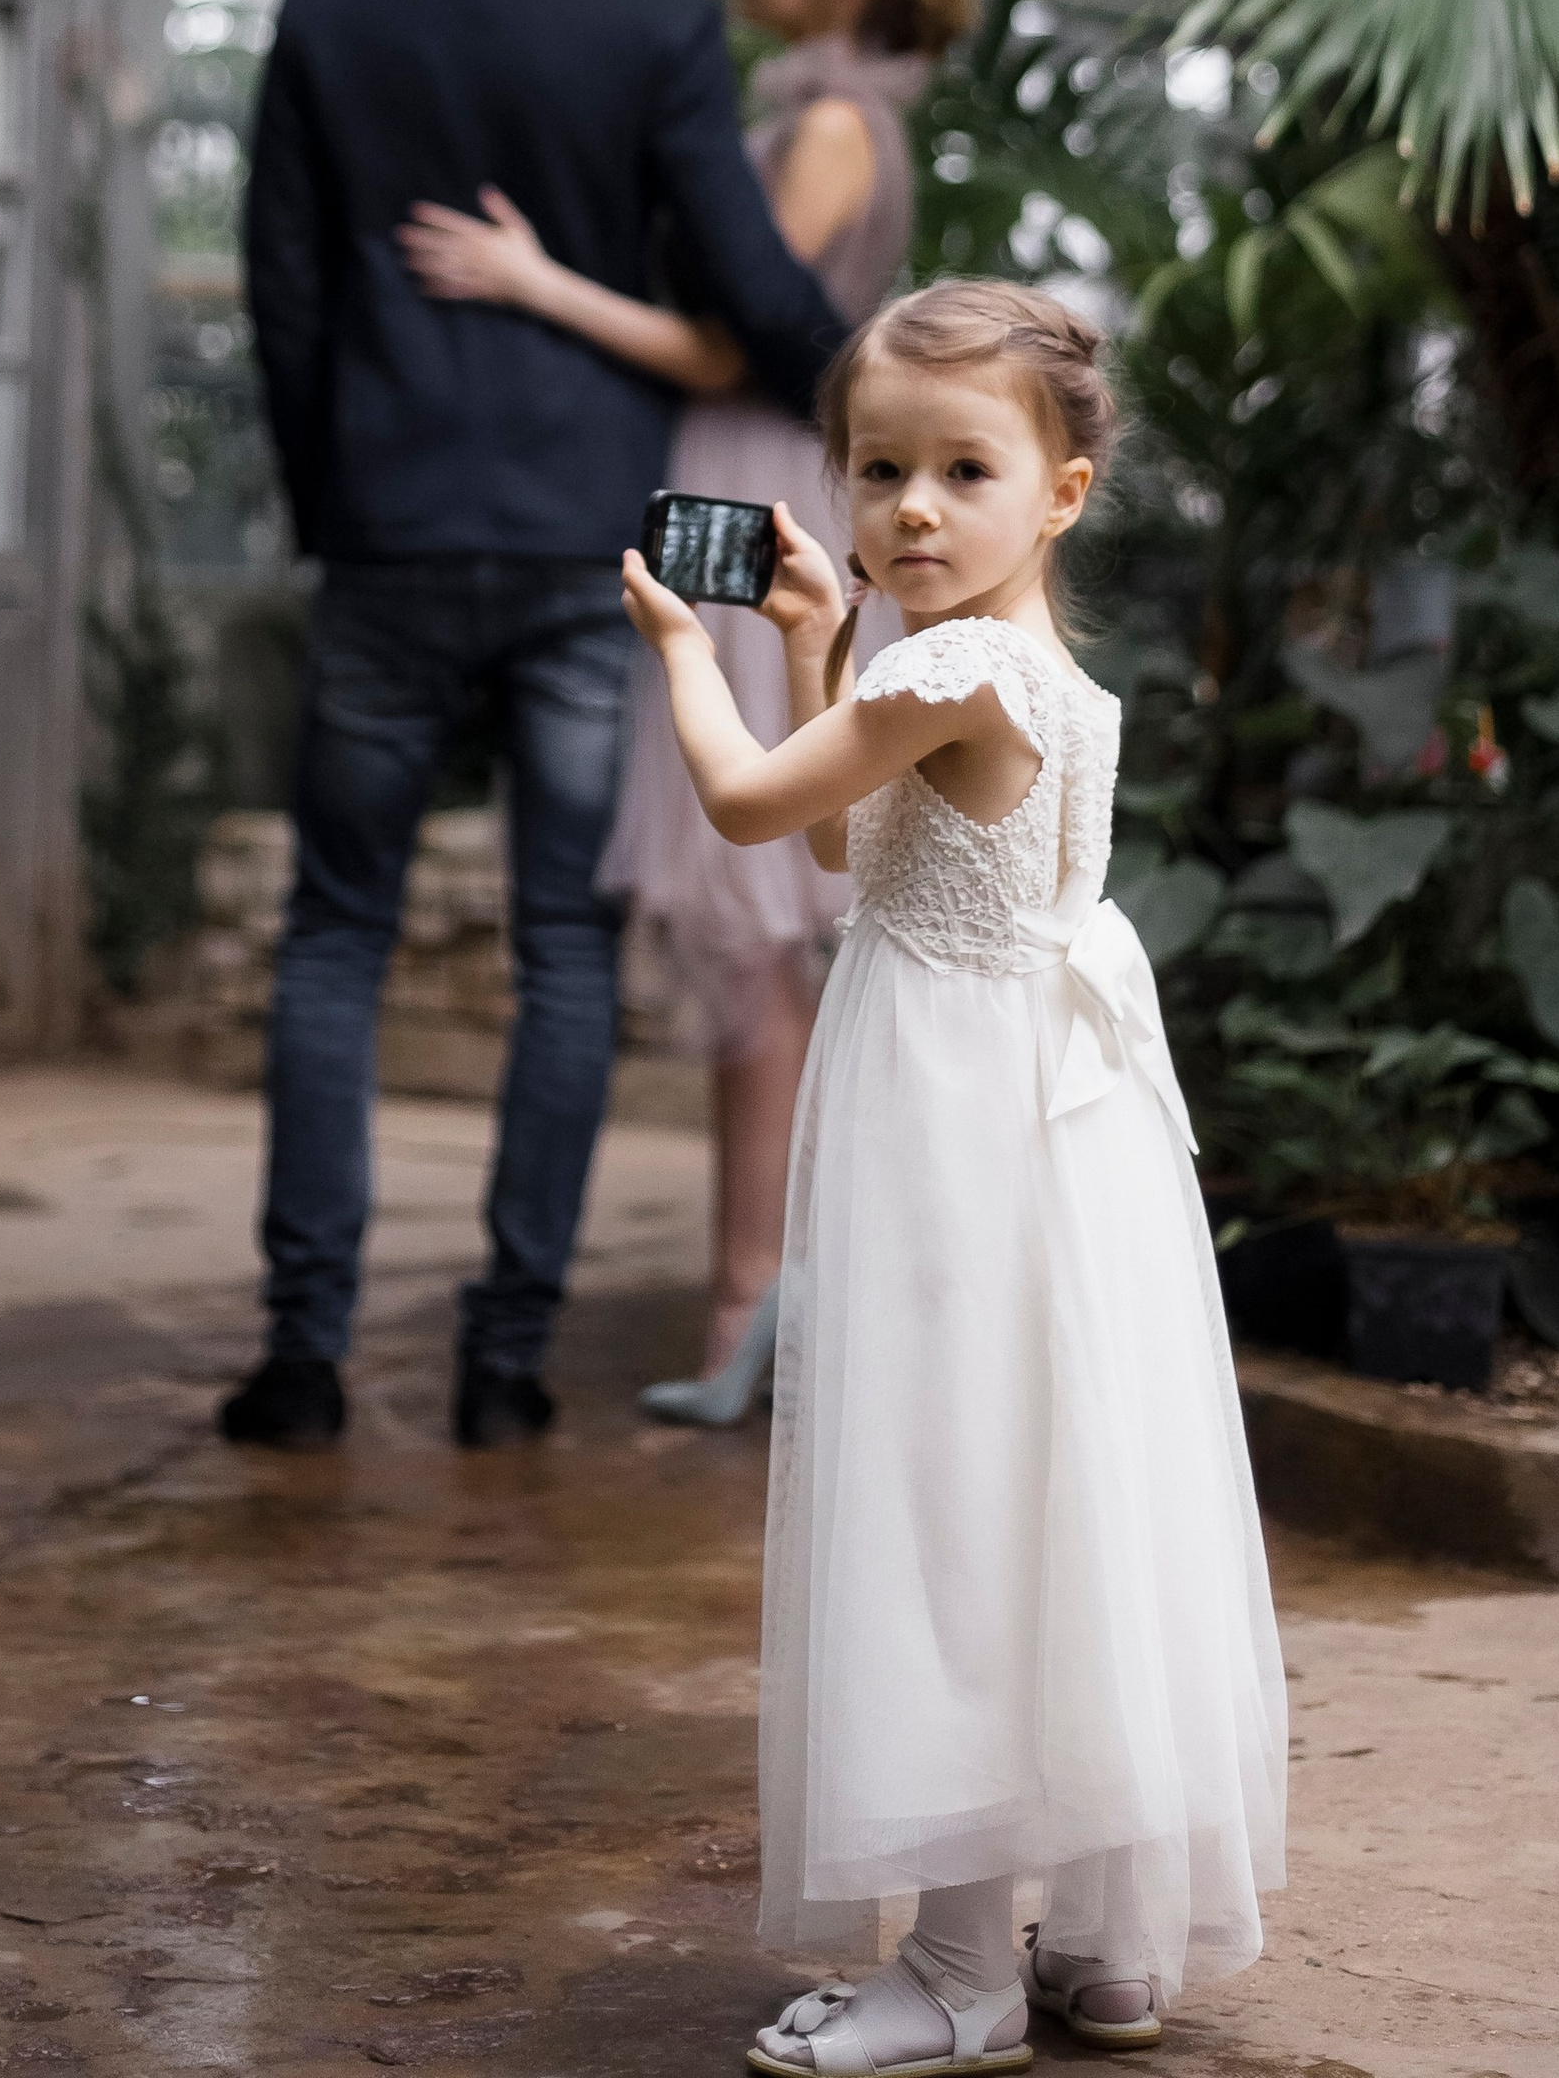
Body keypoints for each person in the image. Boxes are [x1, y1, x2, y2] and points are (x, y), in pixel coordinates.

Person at [621, 282, 1286, 2070]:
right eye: (876, 467)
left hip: (954, 1121)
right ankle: (1107, 1950)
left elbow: (755, 811)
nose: (910, 506)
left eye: (963, 470)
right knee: (1056, 1492)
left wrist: (682, 652)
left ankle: (962, 1971)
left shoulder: (947, 670)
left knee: (945, 1499)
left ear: (1061, 492)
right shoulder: (1030, 669)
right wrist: (806, 641)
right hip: (1050, 1124)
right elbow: (856, 839)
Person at [224, 0, 850, 1455]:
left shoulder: (336, 0)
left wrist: (336, 494)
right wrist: (877, 391)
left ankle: (304, 1357)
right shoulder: (649, 22)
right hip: (592, 543)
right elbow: (746, 279)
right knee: (564, 950)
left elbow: (284, 286)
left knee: (334, 932)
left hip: (389, 529)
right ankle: (504, 1366)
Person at [399, 0, 975, 1419]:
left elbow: (729, 339)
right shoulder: (819, 110)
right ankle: (770, 1294)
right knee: (759, 927)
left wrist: (533, 282)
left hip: (754, 480)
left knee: (757, 918)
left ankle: (751, 1301)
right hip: (740, 480)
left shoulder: (836, 125)